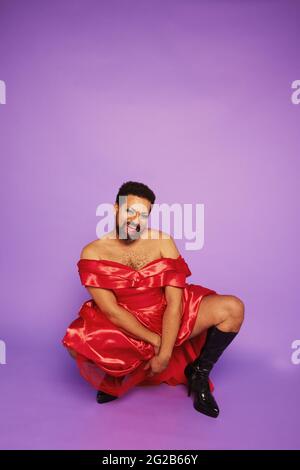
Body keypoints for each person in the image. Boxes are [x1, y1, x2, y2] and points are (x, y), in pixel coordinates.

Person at [62, 181, 244, 418]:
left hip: (169, 312)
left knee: (232, 308)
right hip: (125, 321)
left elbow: (175, 302)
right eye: (129, 211)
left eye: (143, 214)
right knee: (77, 346)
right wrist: (154, 340)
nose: (135, 220)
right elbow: (112, 311)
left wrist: (165, 352)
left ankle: (198, 373)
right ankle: (117, 375)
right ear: (116, 209)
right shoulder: (93, 252)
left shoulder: (162, 241)